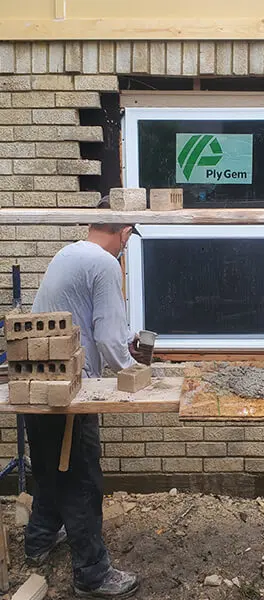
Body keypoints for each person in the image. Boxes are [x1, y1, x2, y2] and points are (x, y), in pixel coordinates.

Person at [24, 197, 143, 599]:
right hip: (72, 390)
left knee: (49, 467)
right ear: (124, 233)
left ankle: (39, 541)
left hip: (40, 383)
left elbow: (87, 321)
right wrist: (138, 374)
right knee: (81, 480)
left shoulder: (68, 252)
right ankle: (91, 574)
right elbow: (110, 341)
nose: (126, 248)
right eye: (128, 239)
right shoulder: (105, 263)